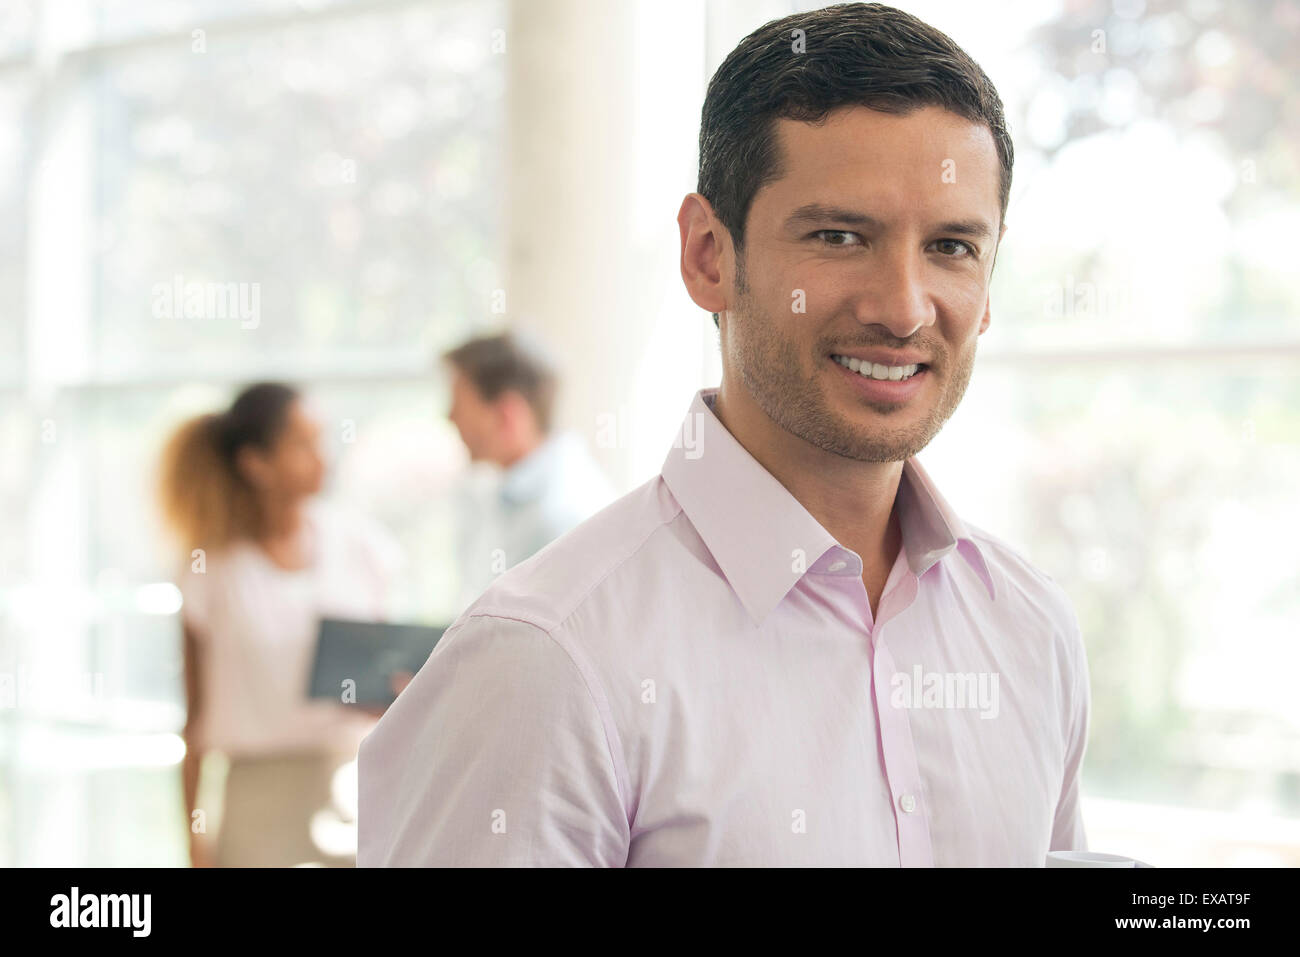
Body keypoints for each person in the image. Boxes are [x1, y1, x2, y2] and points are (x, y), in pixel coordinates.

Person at [358, 3, 1090, 866]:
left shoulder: (1032, 629)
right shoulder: (547, 659)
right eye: (840, 235)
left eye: (952, 247)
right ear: (710, 255)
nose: (902, 307)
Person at [158, 382, 403, 867]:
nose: (322, 457)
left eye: (322, 439)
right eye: (302, 444)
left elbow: (392, 685)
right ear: (256, 463)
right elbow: (194, 721)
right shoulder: (212, 570)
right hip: (256, 805)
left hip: (353, 793)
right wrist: (194, 846)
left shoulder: (361, 547)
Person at [443, 332, 616, 611]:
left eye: (459, 403)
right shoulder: (497, 494)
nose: (449, 417)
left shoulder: (562, 515)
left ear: (505, 415)